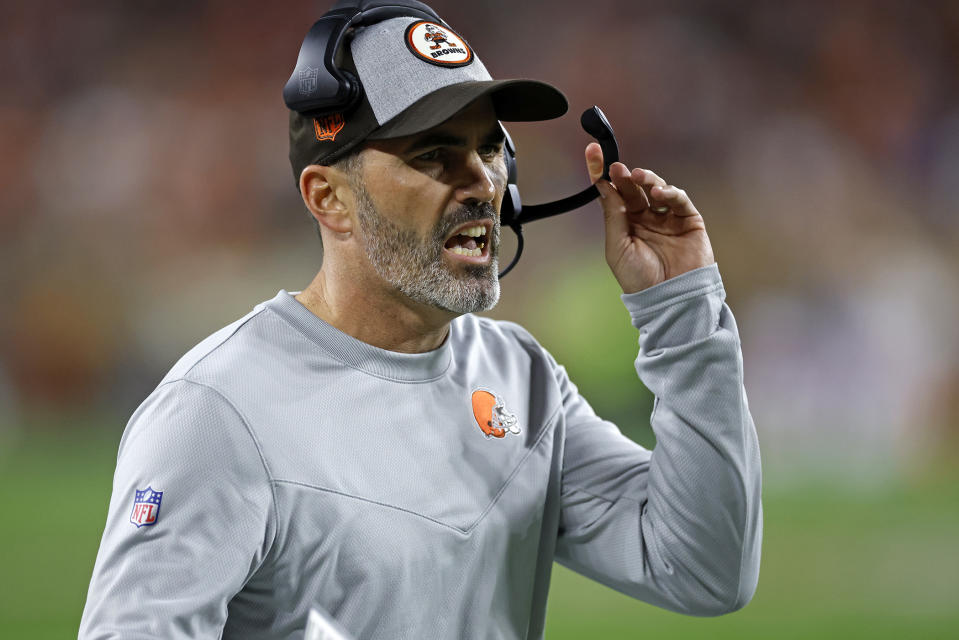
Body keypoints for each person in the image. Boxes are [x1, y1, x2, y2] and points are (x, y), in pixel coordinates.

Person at [79, 6, 762, 640]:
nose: (481, 183)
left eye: (490, 150)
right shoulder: (220, 412)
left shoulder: (519, 378)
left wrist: (682, 312)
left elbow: (703, 569)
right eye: (432, 155)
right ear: (329, 199)